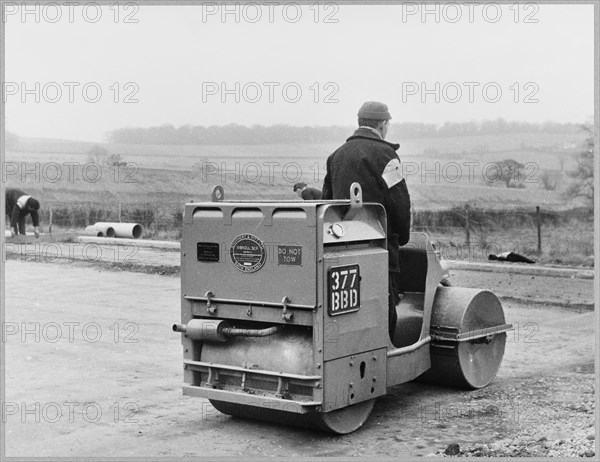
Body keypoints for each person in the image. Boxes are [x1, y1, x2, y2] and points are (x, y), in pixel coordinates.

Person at [322, 101, 411, 343]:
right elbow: (400, 202)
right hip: (379, 247)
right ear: (383, 124)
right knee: (384, 303)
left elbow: (326, 203)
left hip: (341, 247)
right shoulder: (387, 156)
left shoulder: (336, 156)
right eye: (388, 124)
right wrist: (402, 236)